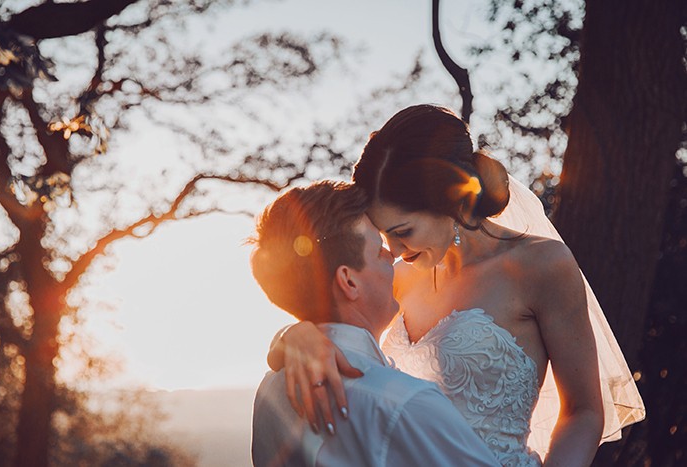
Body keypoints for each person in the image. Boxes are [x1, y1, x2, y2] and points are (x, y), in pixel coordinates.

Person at [267, 105, 645, 466]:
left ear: (451, 202)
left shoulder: (542, 266)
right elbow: (342, 322)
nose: (394, 250)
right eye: (383, 235)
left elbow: (583, 411)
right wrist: (295, 335)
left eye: (403, 232)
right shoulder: (395, 280)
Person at [249, 180, 501, 467]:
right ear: (349, 281)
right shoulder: (405, 404)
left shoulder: (270, 389)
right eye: (377, 248)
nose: (392, 254)